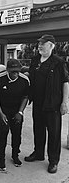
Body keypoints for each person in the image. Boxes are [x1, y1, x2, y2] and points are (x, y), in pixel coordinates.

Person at [24, 34, 69, 174]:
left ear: (51, 45)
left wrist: (65, 102)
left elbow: (65, 82)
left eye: (43, 43)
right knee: (38, 129)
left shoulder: (58, 62)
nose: (40, 46)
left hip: (53, 104)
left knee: (54, 134)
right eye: (39, 44)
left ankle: (53, 161)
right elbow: (30, 75)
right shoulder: (35, 60)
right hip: (37, 103)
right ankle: (38, 153)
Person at [0, 59, 30, 172]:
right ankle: (1, 158)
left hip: (17, 110)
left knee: (17, 133)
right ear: (7, 70)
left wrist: (20, 112)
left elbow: (25, 97)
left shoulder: (24, 80)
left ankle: (15, 155)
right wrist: (0, 113)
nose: (16, 74)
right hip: (2, 109)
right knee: (3, 132)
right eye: (13, 71)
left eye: (18, 71)